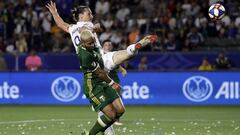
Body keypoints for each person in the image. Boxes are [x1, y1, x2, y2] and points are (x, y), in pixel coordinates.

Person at [77, 29, 124, 135]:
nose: (92, 44)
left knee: (120, 110)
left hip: (102, 83)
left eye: (93, 41)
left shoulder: (93, 47)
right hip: (93, 86)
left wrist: (93, 30)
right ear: (83, 43)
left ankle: (100, 131)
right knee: (111, 114)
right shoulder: (85, 56)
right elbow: (100, 73)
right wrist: (112, 83)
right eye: (89, 43)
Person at [102, 40, 127, 126]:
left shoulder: (113, 54)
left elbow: (116, 63)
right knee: (106, 99)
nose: (108, 46)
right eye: (106, 45)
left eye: (109, 45)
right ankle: (107, 117)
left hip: (114, 79)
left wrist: (122, 69)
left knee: (118, 97)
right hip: (104, 80)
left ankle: (116, 119)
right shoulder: (100, 55)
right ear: (103, 47)